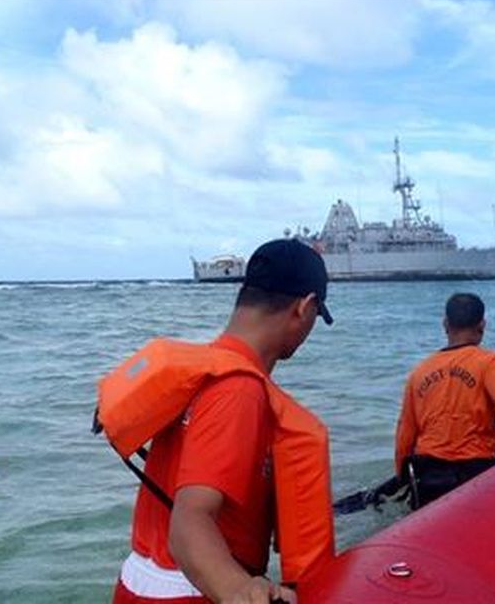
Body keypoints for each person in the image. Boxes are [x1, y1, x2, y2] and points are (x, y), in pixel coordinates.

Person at [111, 239, 334, 604]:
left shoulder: (203, 372)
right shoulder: (239, 389)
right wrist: (240, 591)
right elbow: (188, 524)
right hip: (191, 592)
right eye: (316, 315)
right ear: (305, 307)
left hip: (139, 584)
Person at [394, 292, 495, 508]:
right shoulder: (490, 363)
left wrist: (402, 477)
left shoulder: (419, 372)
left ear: (445, 324)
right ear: (482, 325)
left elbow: (404, 435)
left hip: (427, 477)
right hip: (474, 474)